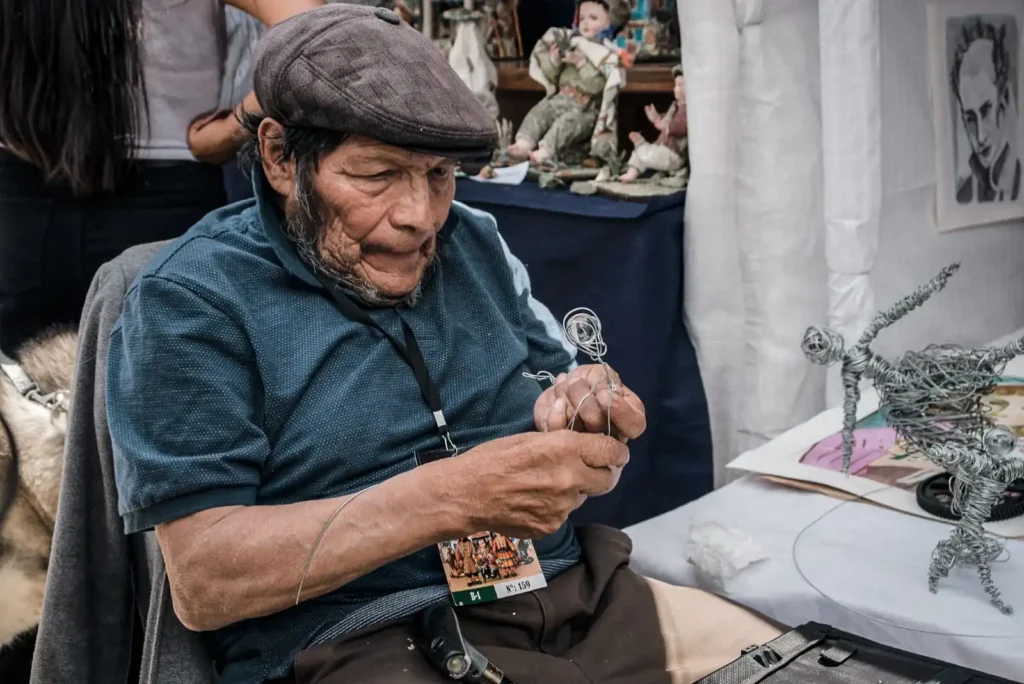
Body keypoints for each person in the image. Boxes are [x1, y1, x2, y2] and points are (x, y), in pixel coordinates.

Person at [106, 6, 782, 684]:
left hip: (571, 596)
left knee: (816, 666)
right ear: (282, 157)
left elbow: (555, 374)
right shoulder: (193, 298)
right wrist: (451, 497)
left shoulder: (472, 241)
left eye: (439, 175)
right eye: (377, 176)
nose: (420, 217)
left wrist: (579, 402)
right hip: (364, 642)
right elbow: (205, 581)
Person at [0, 0, 323, 358]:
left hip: (28, 201)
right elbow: (309, 29)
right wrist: (231, 131)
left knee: (23, 393)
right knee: (159, 380)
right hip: (158, 194)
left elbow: (307, 30)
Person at [952, 18, 1022, 204]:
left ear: (1004, 98)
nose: (980, 136)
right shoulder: (963, 196)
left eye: (986, 111)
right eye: (971, 119)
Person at [617, 65, 689, 184]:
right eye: (675, 85)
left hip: (675, 154)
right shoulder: (675, 105)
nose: (676, 89)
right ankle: (631, 173)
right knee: (640, 153)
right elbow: (666, 121)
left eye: (680, 85)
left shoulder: (687, 109)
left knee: (647, 153)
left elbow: (680, 127)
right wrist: (656, 118)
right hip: (664, 147)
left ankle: (641, 144)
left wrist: (662, 125)